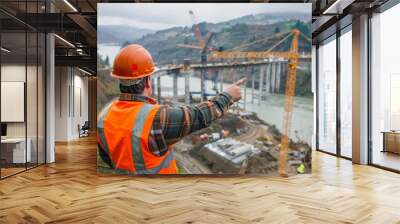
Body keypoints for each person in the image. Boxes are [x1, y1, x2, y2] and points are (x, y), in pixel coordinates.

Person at [97, 44, 245, 175]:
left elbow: (108, 158)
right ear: (148, 81)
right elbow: (199, 116)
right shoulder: (156, 118)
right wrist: (228, 96)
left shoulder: (103, 117)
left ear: (119, 80)